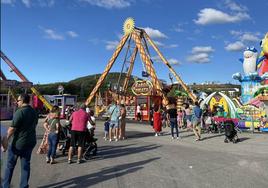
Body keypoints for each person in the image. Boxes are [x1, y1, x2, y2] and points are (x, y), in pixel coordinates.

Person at [2, 94, 38, 188]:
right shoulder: (34, 112)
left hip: (17, 143)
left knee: (10, 166)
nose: (16, 102)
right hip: (30, 142)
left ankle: (5, 185)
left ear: (22, 101)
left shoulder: (20, 112)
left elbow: (11, 129)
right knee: (25, 166)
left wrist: (4, 142)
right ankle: (24, 186)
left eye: (18, 101)